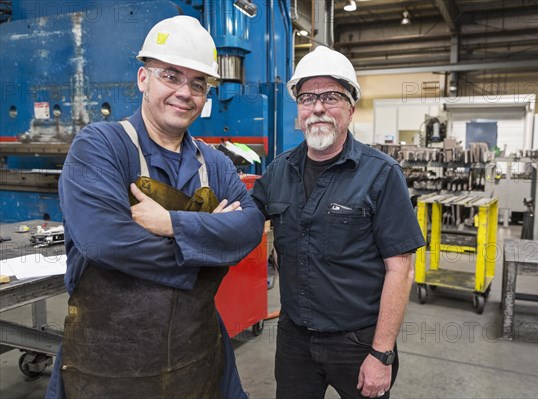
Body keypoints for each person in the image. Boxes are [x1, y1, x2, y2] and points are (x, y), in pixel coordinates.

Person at [45, 16, 264, 399]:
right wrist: (210, 247)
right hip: (107, 368)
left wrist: (170, 224)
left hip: (199, 359)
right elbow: (106, 242)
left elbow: (249, 230)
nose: (185, 92)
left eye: (198, 84)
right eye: (171, 76)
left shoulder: (213, 164)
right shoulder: (101, 147)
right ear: (143, 79)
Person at [251, 46, 426, 399]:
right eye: (307, 98)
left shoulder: (381, 174)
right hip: (294, 339)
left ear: (351, 107)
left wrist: (381, 353)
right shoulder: (278, 171)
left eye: (330, 96)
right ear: (298, 111)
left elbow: (401, 270)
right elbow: (243, 222)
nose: (317, 108)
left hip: (357, 342)